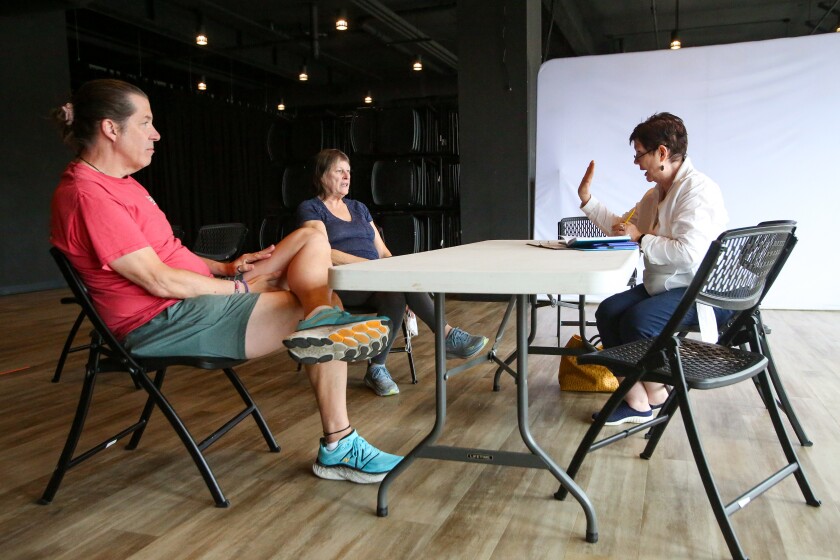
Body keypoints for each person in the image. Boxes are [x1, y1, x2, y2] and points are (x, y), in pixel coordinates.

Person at [49, 78, 401, 484]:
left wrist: (228, 268)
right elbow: (160, 281)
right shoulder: (88, 195)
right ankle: (338, 440)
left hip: (195, 298)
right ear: (112, 129)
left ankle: (321, 318)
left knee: (312, 237)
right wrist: (237, 288)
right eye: (146, 123)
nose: (156, 133)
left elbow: (169, 252)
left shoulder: (122, 186)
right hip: (160, 322)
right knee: (320, 311)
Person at [577, 112, 731, 425]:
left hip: (697, 290)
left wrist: (642, 237)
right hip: (663, 287)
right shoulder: (654, 194)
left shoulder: (698, 191)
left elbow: (688, 254)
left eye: (639, 155)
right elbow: (625, 228)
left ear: (661, 152)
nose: (636, 163)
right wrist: (588, 200)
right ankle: (637, 399)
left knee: (637, 321)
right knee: (608, 311)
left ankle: (659, 390)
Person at [296, 149, 489, 397]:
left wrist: (397, 274)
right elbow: (321, 250)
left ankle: (377, 369)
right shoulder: (312, 209)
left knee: (398, 292)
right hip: (340, 283)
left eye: (349, 172)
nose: (347, 177)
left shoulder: (358, 208)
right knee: (396, 289)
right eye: (339, 171)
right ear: (322, 175)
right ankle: (446, 336)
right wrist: (368, 266)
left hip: (375, 279)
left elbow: (383, 252)